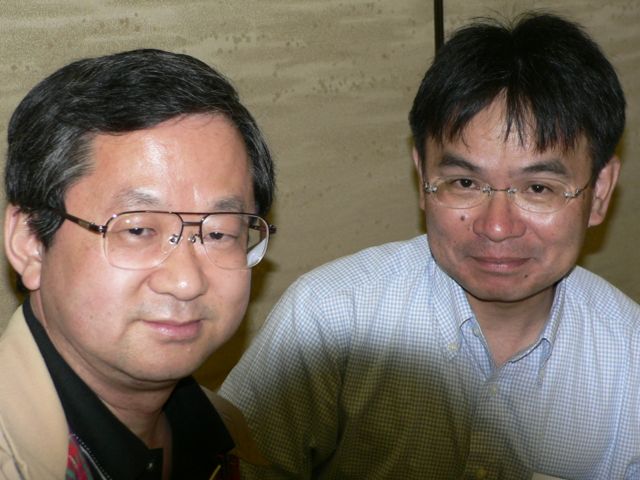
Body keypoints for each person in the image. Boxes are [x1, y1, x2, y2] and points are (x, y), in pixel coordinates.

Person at [220, 12, 640, 479]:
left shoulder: (631, 357)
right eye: (465, 182)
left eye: (538, 188)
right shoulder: (329, 318)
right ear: (423, 177)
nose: (497, 227)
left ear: (599, 193)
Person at [0, 48, 275, 479]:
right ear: (30, 242)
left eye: (219, 233)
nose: (186, 282)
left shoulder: (232, 437)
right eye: (139, 229)